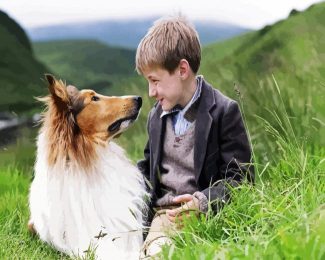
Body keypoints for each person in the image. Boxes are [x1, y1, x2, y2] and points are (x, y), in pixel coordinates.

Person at [136, 15, 254, 258]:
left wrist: (202, 203)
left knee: (157, 253)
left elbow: (241, 178)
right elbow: (147, 169)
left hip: (199, 215)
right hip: (161, 213)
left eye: (155, 81)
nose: (151, 92)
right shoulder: (155, 117)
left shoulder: (224, 111)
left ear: (182, 69)